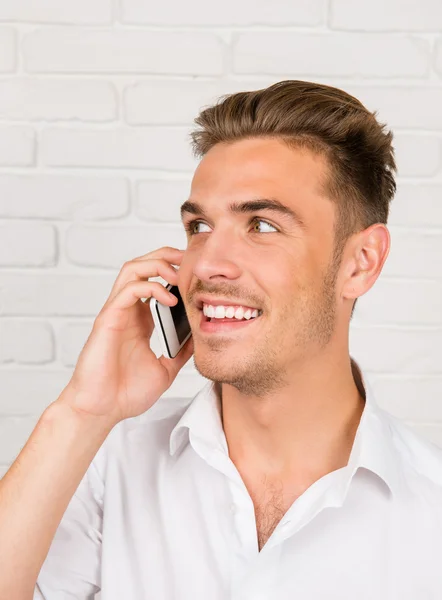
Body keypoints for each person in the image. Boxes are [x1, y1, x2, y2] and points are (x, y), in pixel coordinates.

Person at [1, 80, 442, 600]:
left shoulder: (430, 510)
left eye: (262, 225)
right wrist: (82, 411)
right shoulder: (108, 465)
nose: (205, 264)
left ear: (360, 263)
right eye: (200, 226)